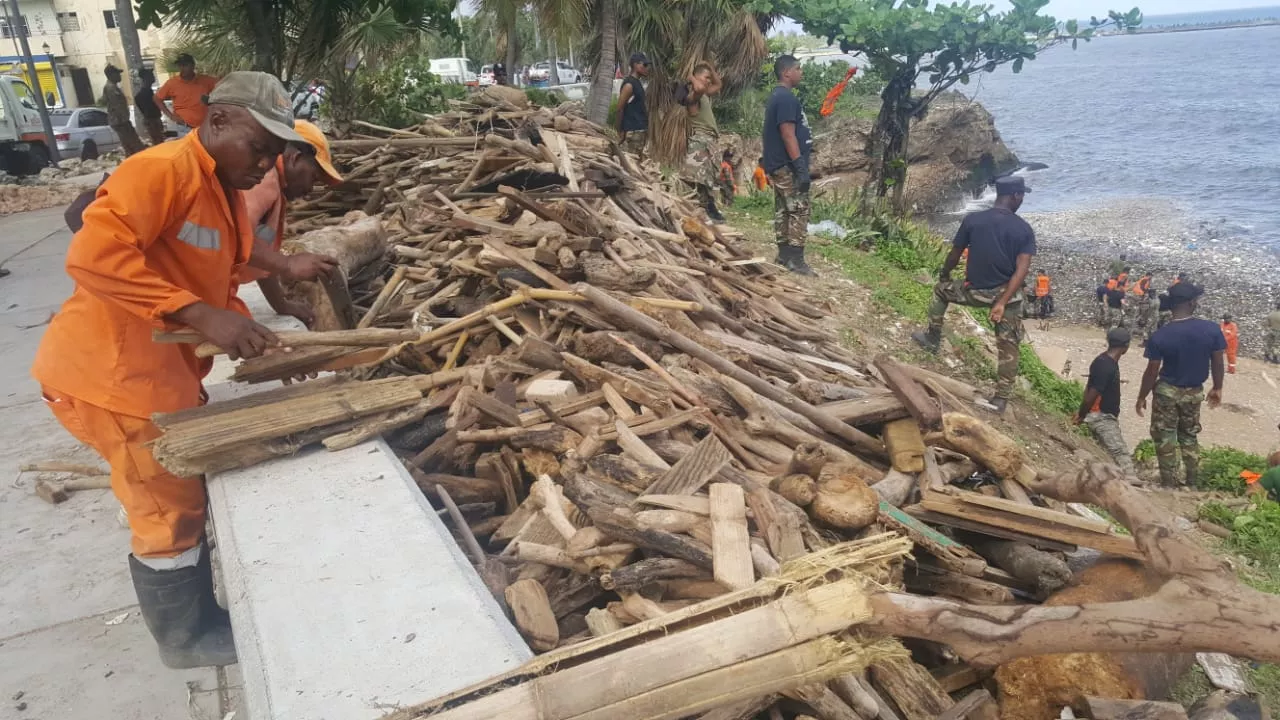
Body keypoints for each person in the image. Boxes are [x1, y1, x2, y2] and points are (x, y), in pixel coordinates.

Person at [31, 72, 335, 670]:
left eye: (275, 152)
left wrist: (253, 334)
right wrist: (201, 315)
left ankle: (200, 618)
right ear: (216, 121)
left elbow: (226, 265)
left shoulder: (220, 188)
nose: (266, 163)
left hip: (156, 375)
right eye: (259, 147)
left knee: (181, 498)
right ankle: (184, 639)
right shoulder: (161, 171)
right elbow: (92, 255)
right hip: (113, 378)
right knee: (164, 510)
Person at [912, 176, 1035, 414]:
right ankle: (1001, 399)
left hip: (974, 292)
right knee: (1008, 344)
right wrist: (1001, 301)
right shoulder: (1023, 229)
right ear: (1015, 196)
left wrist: (945, 274)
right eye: (1022, 196)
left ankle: (932, 338)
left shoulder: (973, 220)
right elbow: (1022, 271)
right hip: (1006, 298)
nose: (1022, 200)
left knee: (940, 291)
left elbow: (954, 255)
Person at [238, 119, 344, 326]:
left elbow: (259, 252)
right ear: (294, 158)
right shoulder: (264, 180)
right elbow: (234, 240)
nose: (311, 189)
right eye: (313, 177)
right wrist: (287, 264)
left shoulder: (274, 189)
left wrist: (281, 304)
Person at [1135, 282, 1226, 487]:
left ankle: (1169, 483)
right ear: (1192, 303)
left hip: (1166, 392)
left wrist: (1142, 396)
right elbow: (1218, 361)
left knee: (1165, 436)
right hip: (1194, 392)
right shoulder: (1211, 330)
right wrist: (1217, 387)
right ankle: (1192, 482)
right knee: (1189, 436)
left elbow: (1152, 371)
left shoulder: (1161, 335)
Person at [762, 54, 814, 275]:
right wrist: (800, 167)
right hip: (787, 165)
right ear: (787, 72)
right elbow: (788, 134)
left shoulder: (778, 96)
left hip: (778, 164)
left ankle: (784, 255)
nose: (801, 73)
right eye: (798, 69)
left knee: (783, 209)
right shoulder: (786, 99)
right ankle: (796, 259)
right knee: (799, 209)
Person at [1074, 328, 1135, 476]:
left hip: (1100, 414)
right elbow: (1092, 394)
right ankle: (1132, 481)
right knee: (1121, 454)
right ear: (1126, 347)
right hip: (1101, 416)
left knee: (1107, 449)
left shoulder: (1102, 360)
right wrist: (1082, 415)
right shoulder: (1107, 366)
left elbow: (1089, 388)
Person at [676, 61, 724, 222]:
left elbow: (719, 84)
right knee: (694, 178)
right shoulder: (693, 95)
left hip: (709, 140)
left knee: (707, 179)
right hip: (700, 139)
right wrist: (690, 76)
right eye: (706, 77)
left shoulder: (704, 95)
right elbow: (699, 88)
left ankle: (707, 208)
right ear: (696, 77)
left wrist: (710, 68)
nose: (709, 80)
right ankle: (698, 208)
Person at [155, 54, 220, 130]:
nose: (182, 68)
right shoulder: (172, 83)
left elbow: (225, 86)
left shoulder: (206, 80)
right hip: (184, 127)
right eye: (180, 65)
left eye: (185, 65)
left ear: (193, 65)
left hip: (205, 127)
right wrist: (171, 116)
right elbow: (157, 98)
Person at [101, 65, 146, 156]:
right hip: (121, 122)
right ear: (110, 75)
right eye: (117, 74)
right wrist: (124, 122)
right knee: (135, 146)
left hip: (121, 121)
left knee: (130, 147)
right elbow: (117, 106)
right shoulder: (111, 88)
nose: (119, 76)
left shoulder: (113, 87)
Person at [616, 53, 649, 158]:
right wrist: (620, 130)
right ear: (635, 65)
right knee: (631, 162)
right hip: (632, 132)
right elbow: (620, 108)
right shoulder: (629, 85)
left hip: (639, 130)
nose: (646, 68)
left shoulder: (637, 83)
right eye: (644, 65)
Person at [135, 68, 167, 146]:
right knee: (158, 143)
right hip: (152, 121)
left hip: (154, 120)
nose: (153, 77)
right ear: (146, 78)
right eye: (151, 75)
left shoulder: (149, 91)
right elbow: (147, 110)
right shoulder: (144, 94)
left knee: (160, 141)